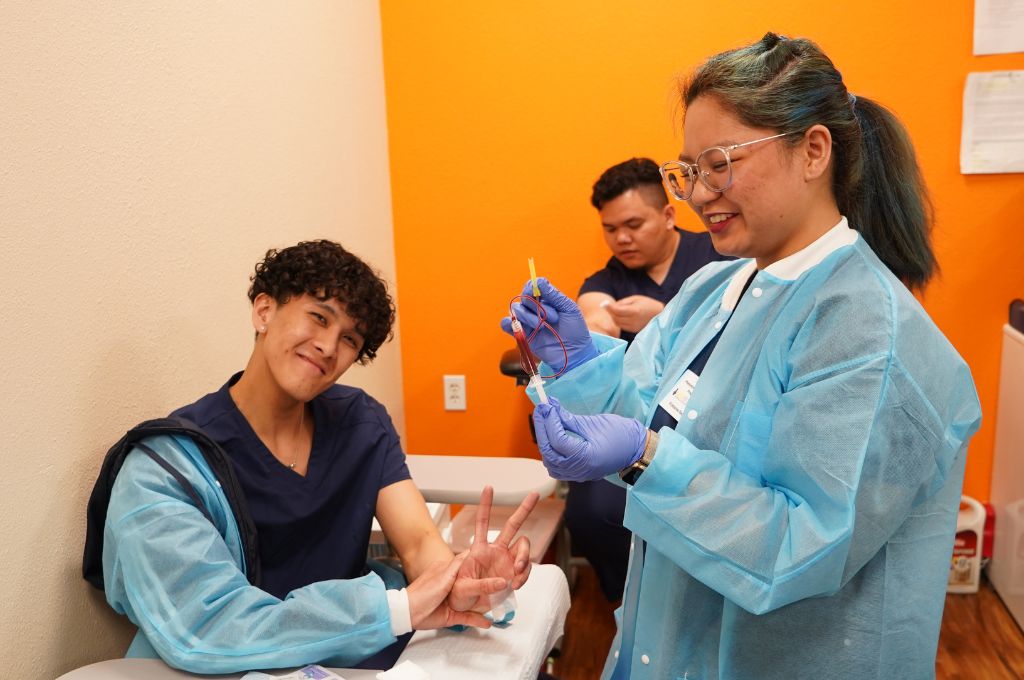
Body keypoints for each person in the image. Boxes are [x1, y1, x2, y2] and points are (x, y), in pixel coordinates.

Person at [505, 33, 982, 679]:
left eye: (720, 162)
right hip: (672, 641)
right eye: (689, 170)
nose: (699, 193)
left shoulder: (869, 331)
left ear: (813, 151)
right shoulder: (718, 285)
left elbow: (802, 545)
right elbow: (646, 408)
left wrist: (645, 460)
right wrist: (580, 362)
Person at [99, 240, 538, 674]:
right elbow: (206, 627)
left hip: (356, 652)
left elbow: (419, 541)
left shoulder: (360, 423)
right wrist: (398, 609)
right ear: (264, 311)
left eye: (349, 338)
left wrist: (458, 579)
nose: (329, 347)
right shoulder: (166, 468)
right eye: (318, 317)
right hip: (238, 665)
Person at [570, 158, 731, 602]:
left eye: (633, 224)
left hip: (716, 422)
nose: (621, 238)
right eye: (610, 228)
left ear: (668, 214)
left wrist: (664, 319)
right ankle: (632, 602)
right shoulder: (608, 280)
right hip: (636, 425)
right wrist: (592, 325)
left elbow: (747, 331)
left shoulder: (720, 258)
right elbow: (594, 312)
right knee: (591, 512)